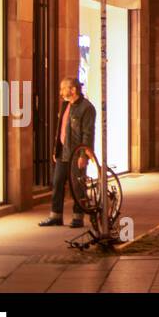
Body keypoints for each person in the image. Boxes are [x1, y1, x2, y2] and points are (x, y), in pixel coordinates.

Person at [38, 78, 96, 228]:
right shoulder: (66, 105)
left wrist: (84, 155)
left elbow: (87, 134)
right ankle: (55, 216)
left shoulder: (86, 108)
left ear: (73, 90)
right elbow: (61, 129)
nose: (60, 92)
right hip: (62, 153)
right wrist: (55, 149)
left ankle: (78, 216)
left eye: (63, 89)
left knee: (77, 186)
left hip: (76, 154)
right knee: (57, 183)